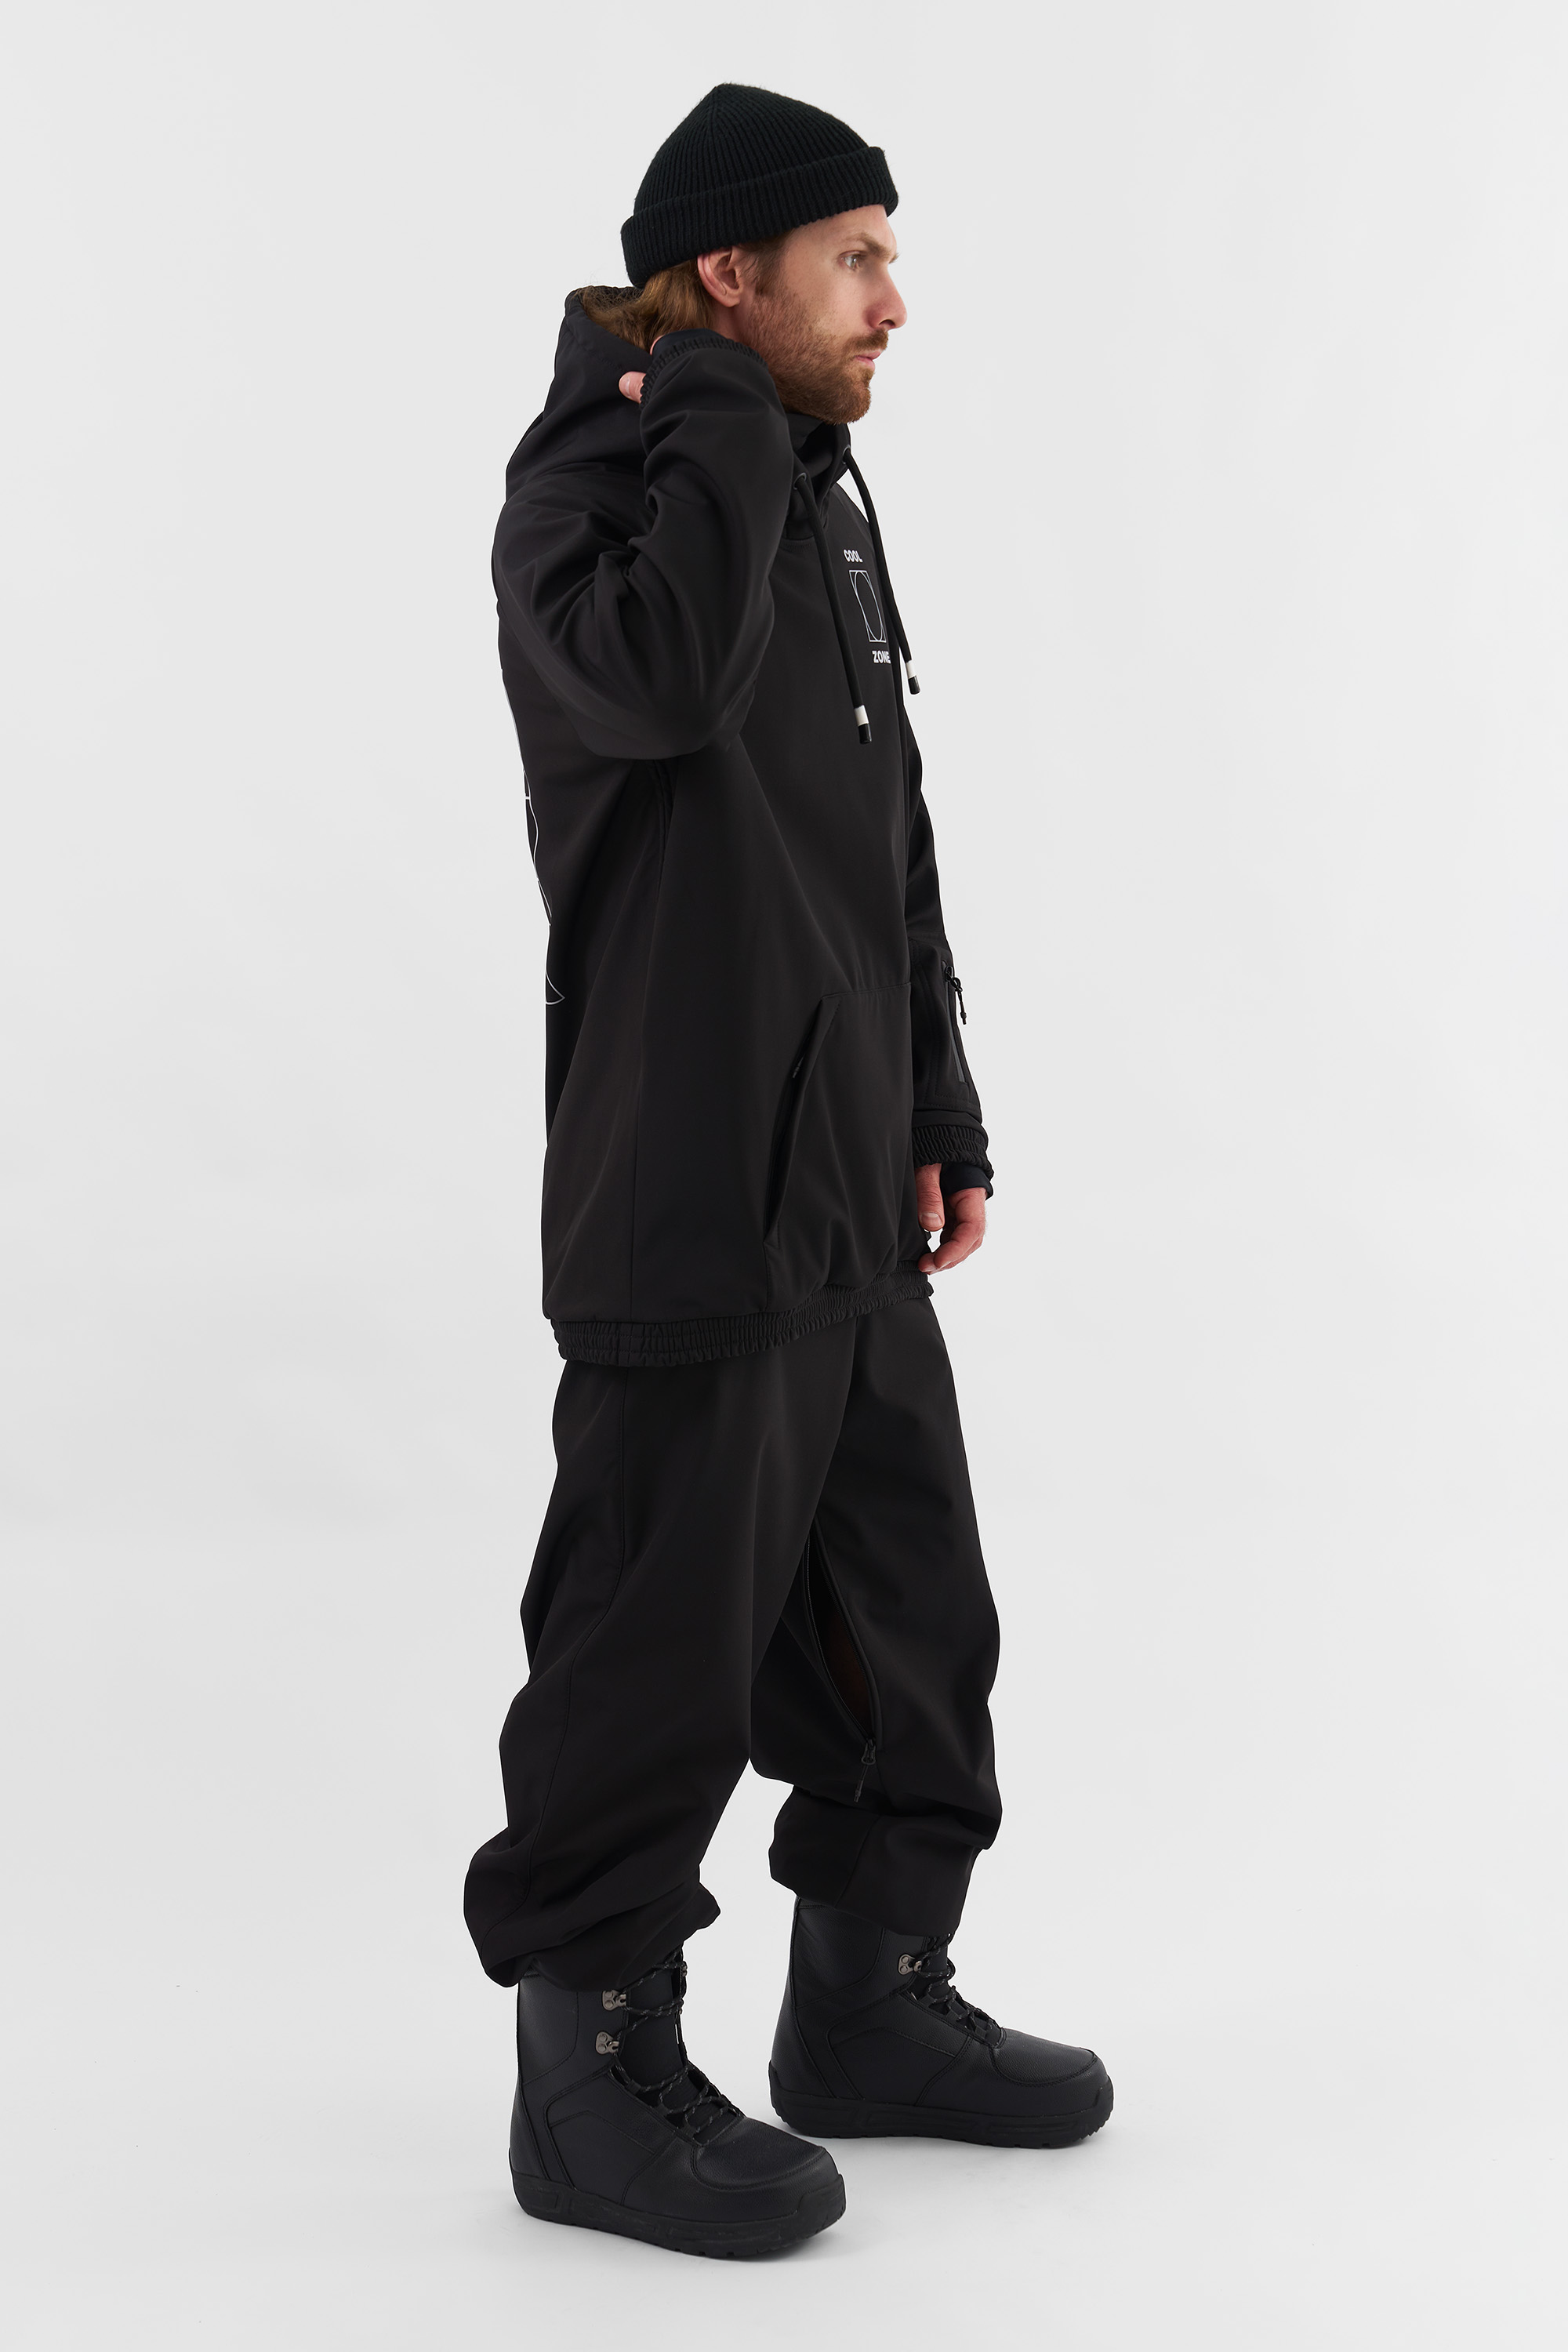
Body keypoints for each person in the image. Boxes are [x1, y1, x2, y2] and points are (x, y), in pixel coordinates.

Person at [465, 82, 1112, 2259]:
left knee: (912, 1619)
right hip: (687, 1182)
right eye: (857, 260)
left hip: (843, 1177)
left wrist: (939, 1098)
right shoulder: (592, 484)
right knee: (652, 1636)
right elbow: (656, 690)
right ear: (730, 276)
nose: (896, 303)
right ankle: (591, 2079)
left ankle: (869, 2002)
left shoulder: (808, 491)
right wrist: (727, 417)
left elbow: (879, 822)